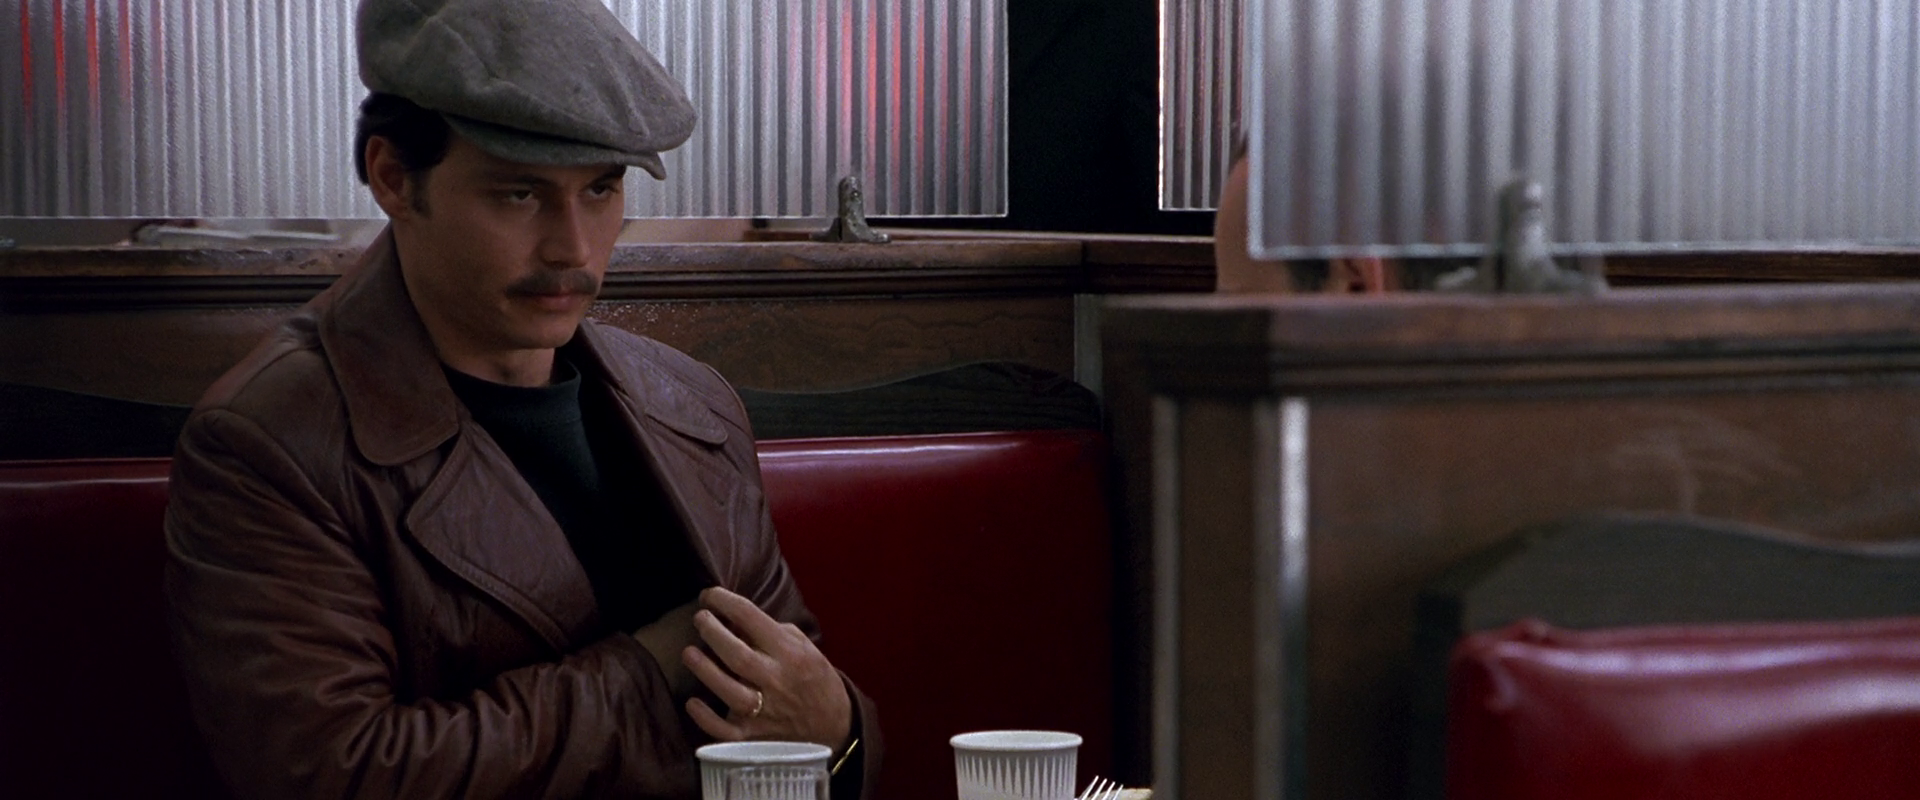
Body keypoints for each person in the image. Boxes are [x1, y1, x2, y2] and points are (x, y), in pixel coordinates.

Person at [162, 0, 877, 797]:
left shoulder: (692, 406)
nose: (573, 247)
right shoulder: (268, 443)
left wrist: (842, 728)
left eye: (601, 189)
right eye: (518, 194)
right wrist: (647, 674)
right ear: (394, 178)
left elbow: (801, 708)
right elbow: (336, 775)